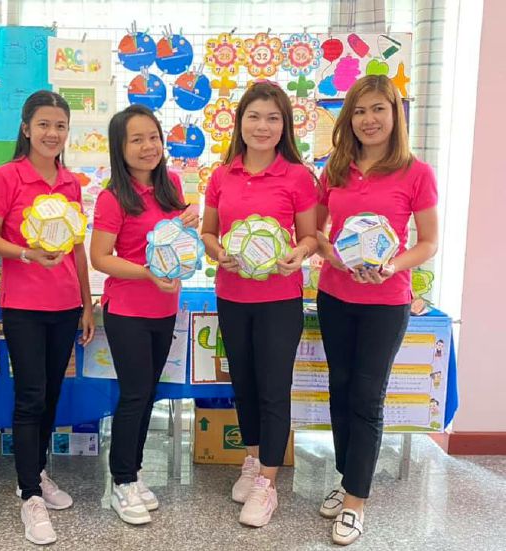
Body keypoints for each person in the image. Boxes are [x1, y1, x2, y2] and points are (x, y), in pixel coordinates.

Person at [315, 75, 438, 546]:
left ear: (395, 114)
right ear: (349, 118)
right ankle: (348, 476)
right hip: (334, 297)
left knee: (367, 397)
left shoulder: (416, 173)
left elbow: (428, 242)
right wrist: (333, 256)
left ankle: (355, 501)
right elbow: (317, 233)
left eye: (378, 109)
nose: (369, 119)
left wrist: (392, 266)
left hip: (386, 303)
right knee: (340, 390)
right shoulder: (335, 169)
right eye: (360, 111)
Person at [200, 81, 318, 527]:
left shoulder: (297, 176)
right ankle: (252, 460)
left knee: (272, 388)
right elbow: (208, 232)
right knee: (244, 384)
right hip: (232, 296)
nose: (262, 126)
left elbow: (309, 236)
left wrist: (298, 253)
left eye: (272, 118)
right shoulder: (222, 175)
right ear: (240, 122)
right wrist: (217, 252)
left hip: (279, 301)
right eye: (254, 116)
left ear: (284, 125)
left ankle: (268, 482)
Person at [0, 90, 95, 546]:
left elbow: (78, 246)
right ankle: (29, 494)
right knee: (29, 396)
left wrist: (86, 303)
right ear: (26, 128)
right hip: (24, 306)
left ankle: (38, 472)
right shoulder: (6, 176)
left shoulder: (70, 182)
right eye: (44, 124)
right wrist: (26, 253)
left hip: (65, 306)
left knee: (50, 395)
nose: (52, 133)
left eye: (60, 126)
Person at [90, 105, 199, 525]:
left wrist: (190, 223)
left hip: (164, 308)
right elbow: (100, 257)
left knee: (148, 393)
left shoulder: (172, 184)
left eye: (153, 137)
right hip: (128, 310)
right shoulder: (113, 197)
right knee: (134, 395)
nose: (148, 146)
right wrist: (147, 273)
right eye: (136, 140)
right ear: (120, 148)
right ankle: (121, 481)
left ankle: (133, 476)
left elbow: (174, 244)